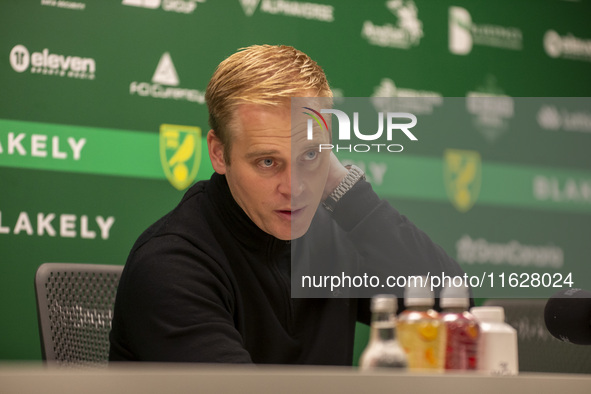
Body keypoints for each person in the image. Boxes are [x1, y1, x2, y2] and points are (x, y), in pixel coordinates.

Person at [109, 45, 465, 364]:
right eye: (268, 162)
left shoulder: (332, 235)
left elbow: (455, 310)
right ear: (219, 153)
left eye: (309, 155)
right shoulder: (171, 265)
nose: (294, 189)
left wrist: (347, 191)